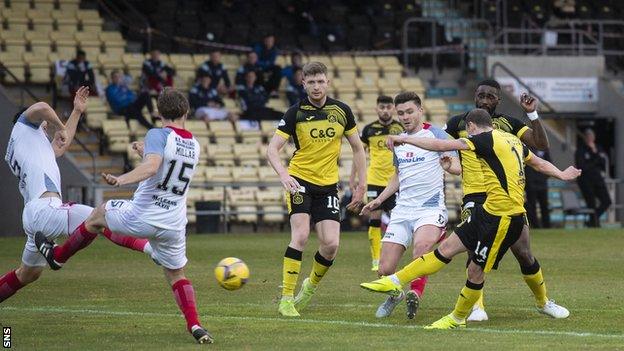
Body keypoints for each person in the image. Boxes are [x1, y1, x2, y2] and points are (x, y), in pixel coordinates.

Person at [361, 108, 581, 330]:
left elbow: (441, 146)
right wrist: (562, 174)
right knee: (446, 248)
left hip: (504, 218)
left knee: (477, 270)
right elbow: (538, 163)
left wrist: (402, 139)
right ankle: (395, 280)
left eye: (467, 130)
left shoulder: (483, 139)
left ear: (471, 127)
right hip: (486, 210)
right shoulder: (511, 140)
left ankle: (458, 318)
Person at [33, 88, 213, 344]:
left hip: (142, 216)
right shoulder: (194, 144)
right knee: (177, 274)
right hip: (173, 224)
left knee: (97, 216)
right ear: (186, 112)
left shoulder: (157, 134)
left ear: (158, 113)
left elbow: (152, 167)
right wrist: (146, 151)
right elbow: (167, 164)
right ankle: (195, 324)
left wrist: (121, 179)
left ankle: (58, 257)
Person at [0, 87, 152, 304]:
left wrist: (77, 111)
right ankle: (150, 249)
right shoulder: (25, 125)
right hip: (46, 209)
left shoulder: (25, 146)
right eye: (44, 126)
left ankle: (51, 255)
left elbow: (60, 146)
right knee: (100, 218)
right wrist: (59, 126)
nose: (46, 129)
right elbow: (42, 108)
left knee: (27, 274)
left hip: (35, 216)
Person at [444, 79, 556, 322]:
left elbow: (541, 145)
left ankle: (543, 302)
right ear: (475, 95)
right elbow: (443, 151)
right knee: (474, 251)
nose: (485, 100)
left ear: (498, 100)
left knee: (523, 252)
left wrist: (532, 114)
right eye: (481, 95)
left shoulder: (510, 124)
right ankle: (477, 307)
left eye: (490, 97)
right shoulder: (458, 123)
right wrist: (453, 165)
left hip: (508, 198)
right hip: (475, 196)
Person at [266, 62, 367, 317]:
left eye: (320, 81)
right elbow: (272, 149)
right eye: (311, 82)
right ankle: (286, 298)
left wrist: (361, 185)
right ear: (303, 84)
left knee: (331, 245)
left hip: (328, 185)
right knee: (300, 236)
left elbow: (358, 148)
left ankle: (309, 287)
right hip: (300, 181)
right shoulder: (295, 112)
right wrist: (284, 175)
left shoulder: (342, 111)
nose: (316, 86)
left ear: (328, 82)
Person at [359, 92, 461, 320]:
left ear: (420, 110)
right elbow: (398, 175)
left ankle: (415, 292)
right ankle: (395, 295)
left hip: (430, 208)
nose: (405, 117)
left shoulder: (435, 134)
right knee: (384, 270)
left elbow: (458, 167)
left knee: (422, 248)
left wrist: (448, 166)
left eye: (409, 112)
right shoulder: (398, 140)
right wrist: (379, 200)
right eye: (401, 113)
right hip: (403, 210)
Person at [351, 95, 403, 271]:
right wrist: (353, 178)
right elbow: (358, 153)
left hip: (394, 182)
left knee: (397, 221)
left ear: (393, 109)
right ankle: (376, 259)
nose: (386, 110)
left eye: (389, 107)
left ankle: (391, 256)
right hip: (374, 180)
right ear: (376, 109)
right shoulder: (369, 130)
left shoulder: (400, 128)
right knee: (374, 219)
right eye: (382, 107)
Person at [575, 128, 611, 227]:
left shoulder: (598, 148)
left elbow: (604, 163)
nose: (590, 139)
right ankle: (594, 224)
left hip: (598, 180)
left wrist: (594, 154)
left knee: (607, 201)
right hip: (586, 182)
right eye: (588, 137)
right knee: (591, 204)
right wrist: (595, 160)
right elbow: (582, 166)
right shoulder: (581, 150)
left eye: (592, 136)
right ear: (585, 138)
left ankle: (592, 221)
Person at [525, 147, 551, 228]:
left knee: (544, 205)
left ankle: (547, 226)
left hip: (542, 183)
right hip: (530, 184)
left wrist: (544, 177)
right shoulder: (526, 149)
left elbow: (549, 163)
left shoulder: (543, 149)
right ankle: (535, 226)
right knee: (532, 206)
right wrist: (528, 180)